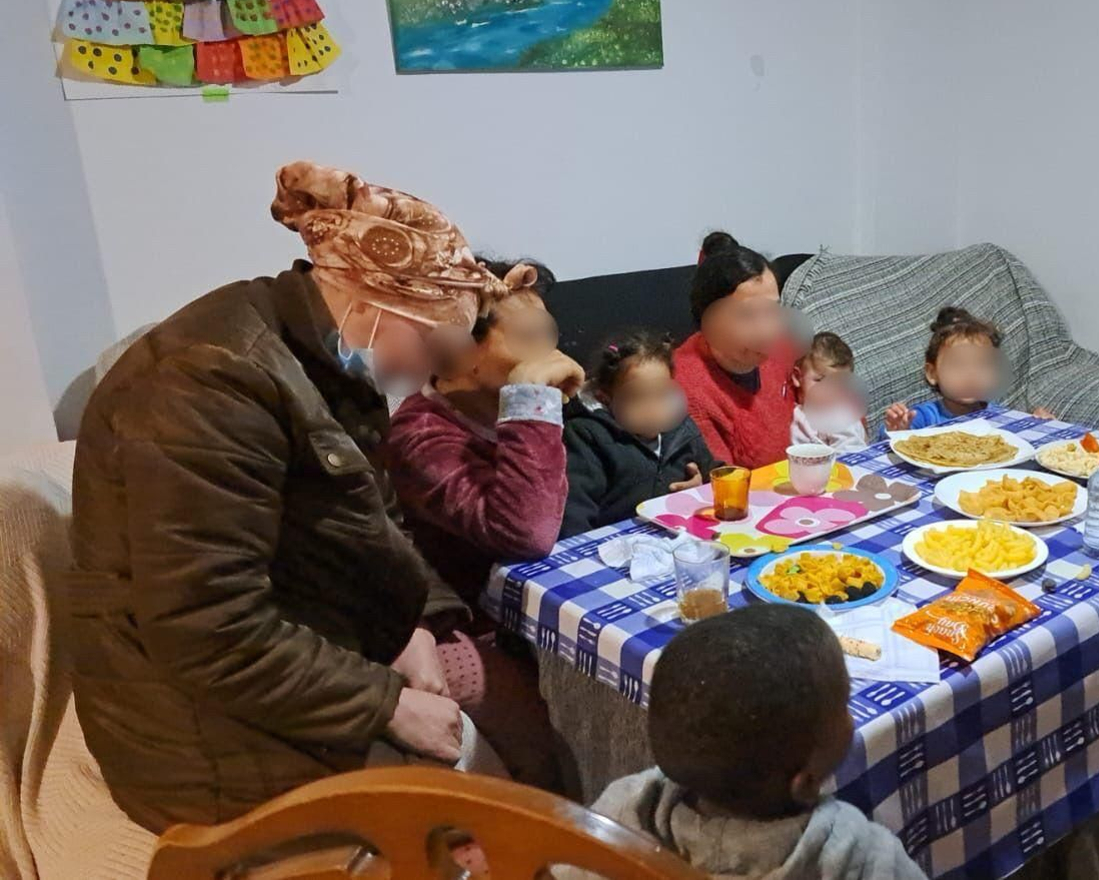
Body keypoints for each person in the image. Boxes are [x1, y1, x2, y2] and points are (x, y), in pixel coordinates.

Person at [68, 162, 518, 831]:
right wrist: (385, 705)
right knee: (483, 825)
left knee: (511, 755)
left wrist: (420, 622)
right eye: (429, 349)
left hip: (298, 659)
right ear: (372, 305)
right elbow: (207, 631)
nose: (425, 376)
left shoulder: (315, 357)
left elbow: (373, 519)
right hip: (202, 742)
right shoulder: (209, 385)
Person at [383, 257, 585, 789]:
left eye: (551, 336)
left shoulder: (500, 407)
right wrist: (531, 402)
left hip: (535, 609)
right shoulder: (419, 435)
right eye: (527, 339)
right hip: (467, 625)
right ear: (459, 350)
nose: (550, 355)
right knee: (559, 740)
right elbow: (526, 533)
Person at [565, 605, 926, 879]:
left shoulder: (620, 809)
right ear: (805, 784)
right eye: (844, 704)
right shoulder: (865, 856)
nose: (851, 716)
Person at [560, 329, 715, 538]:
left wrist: (701, 489)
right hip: (614, 544)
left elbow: (716, 475)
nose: (653, 409)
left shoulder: (681, 428)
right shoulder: (588, 436)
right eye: (638, 398)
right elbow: (574, 514)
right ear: (605, 399)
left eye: (662, 395)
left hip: (676, 538)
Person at [674, 232, 795, 468]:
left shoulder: (783, 351)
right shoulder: (685, 388)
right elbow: (723, 483)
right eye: (747, 315)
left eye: (772, 311)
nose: (767, 331)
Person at [884, 307, 1005, 432]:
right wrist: (898, 428)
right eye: (957, 365)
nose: (971, 376)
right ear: (932, 373)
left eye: (982, 365)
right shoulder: (925, 417)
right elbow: (889, 437)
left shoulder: (996, 414)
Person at [790, 331, 870, 453]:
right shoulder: (788, 407)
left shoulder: (839, 414)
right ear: (797, 377)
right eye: (820, 380)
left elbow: (851, 452)